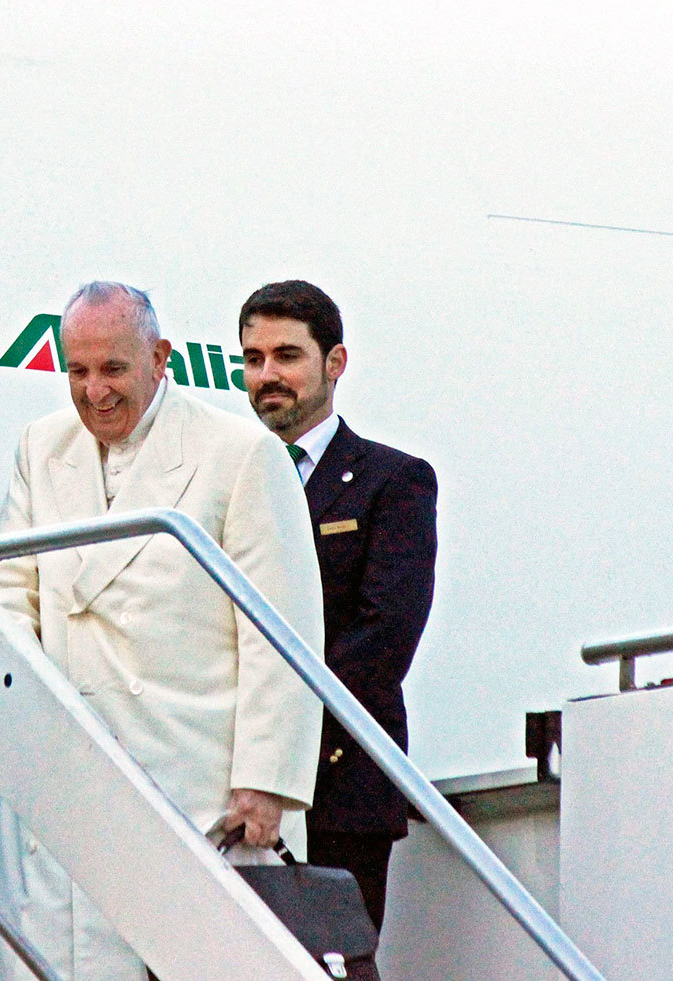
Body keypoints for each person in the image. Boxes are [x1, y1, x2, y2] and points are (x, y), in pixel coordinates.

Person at [0, 282, 326, 981]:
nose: (94, 391)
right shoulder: (42, 447)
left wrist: (265, 780)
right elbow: (10, 591)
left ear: (160, 358)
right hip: (73, 768)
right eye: (78, 371)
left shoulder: (239, 452)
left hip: (200, 783)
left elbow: (280, 632)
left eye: (113, 370)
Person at [239, 279, 437, 931]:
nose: (268, 375)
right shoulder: (225, 480)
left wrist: (276, 741)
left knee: (333, 962)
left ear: (335, 362)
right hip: (233, 786)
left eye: (287, 356)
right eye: (254, 358)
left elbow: (383, 640)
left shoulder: (393, 481)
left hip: (341, 785)